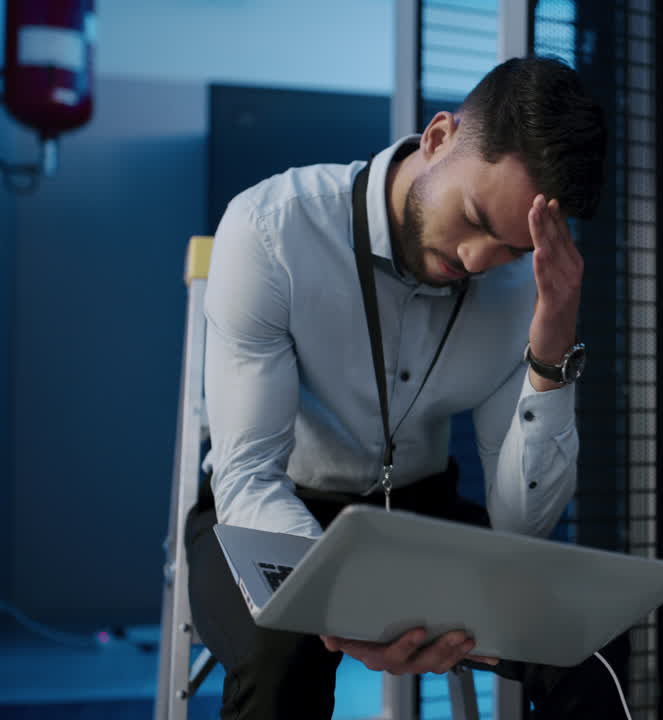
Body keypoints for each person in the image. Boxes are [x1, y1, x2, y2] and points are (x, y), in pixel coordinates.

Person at [184, 56, 628, 719]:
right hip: (266, 505)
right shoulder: (272, 231)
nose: (479, 261)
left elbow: (520, 527)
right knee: (285, 650)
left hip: (417, 514)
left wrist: (551, 351)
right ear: (439, 138)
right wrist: (350, 600)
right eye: (476, 216)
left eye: (510, 248)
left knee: (587, 642)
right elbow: (247, 476)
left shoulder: (519, 290)